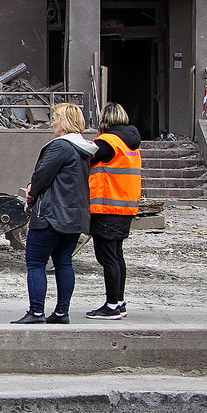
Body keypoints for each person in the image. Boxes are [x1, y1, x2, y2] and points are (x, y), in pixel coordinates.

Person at [12, 102, 98, 325]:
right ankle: (62, 312)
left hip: (51, 214)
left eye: (56, 118)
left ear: (66, 122)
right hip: (75, 215)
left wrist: (31, 196)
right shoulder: (83, 149)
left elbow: (41, 177)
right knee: (63, 261)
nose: (52, 122)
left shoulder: (60, 146)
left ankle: (36, 312)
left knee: (35, 262)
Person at [85, 102, 142, 319]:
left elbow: (85, 158)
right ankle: (119, 300)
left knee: (107, 257)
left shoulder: (108, 143)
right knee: (117, 256)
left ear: (104, 120)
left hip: (107, 208)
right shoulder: (131, 144)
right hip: (124, 207)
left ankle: (111, 305)